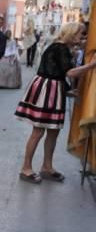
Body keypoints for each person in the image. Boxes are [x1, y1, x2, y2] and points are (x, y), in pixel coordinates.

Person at [16, 23, 96, 184]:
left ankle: (47, 167)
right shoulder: (60, 48)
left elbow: (59, 73)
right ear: (72, 34)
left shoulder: (62, 47)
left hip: (53, 89)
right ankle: (26, 168)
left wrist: (67, 90)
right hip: (47, 90)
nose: (84, 37)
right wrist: (92, 65)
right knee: (38, 131)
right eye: (82, 34)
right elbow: (70, 73)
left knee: (53, 132)